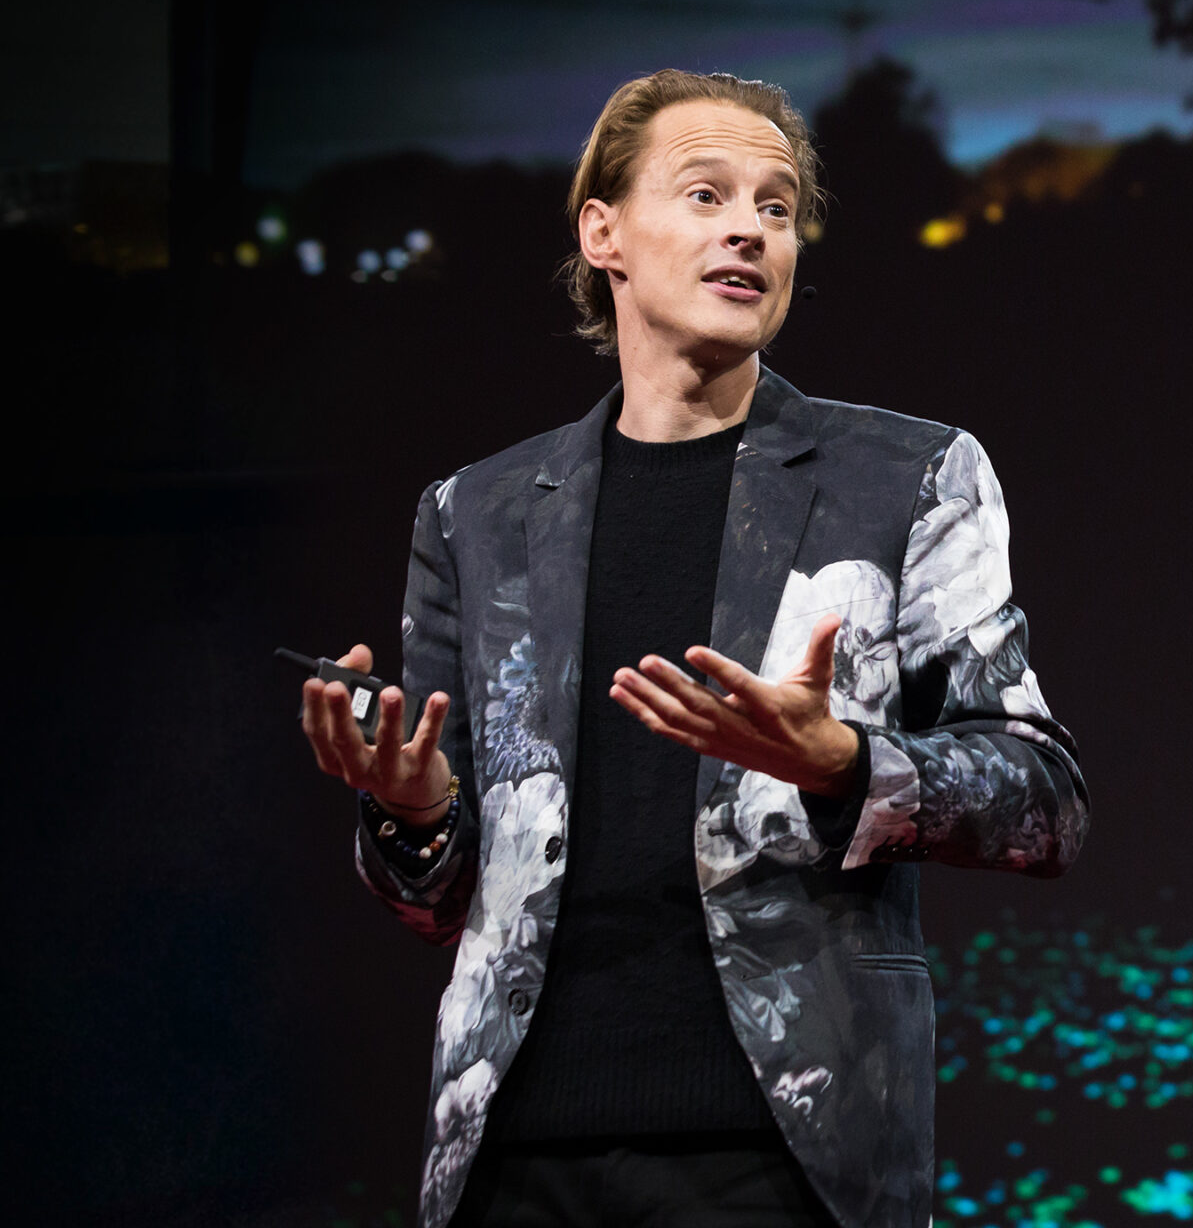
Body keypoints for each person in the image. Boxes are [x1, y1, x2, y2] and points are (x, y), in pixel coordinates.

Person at [295, 69, 1087, 1228]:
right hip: (516, 1153)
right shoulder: (479, 514)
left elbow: (1046, 803)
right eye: (707, 193)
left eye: (775, 206)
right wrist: (409, 812)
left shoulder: (908, 478)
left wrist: (846, 765)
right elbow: (439, 899)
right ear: (602, 233)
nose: (749, 230)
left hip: (777, 1150)